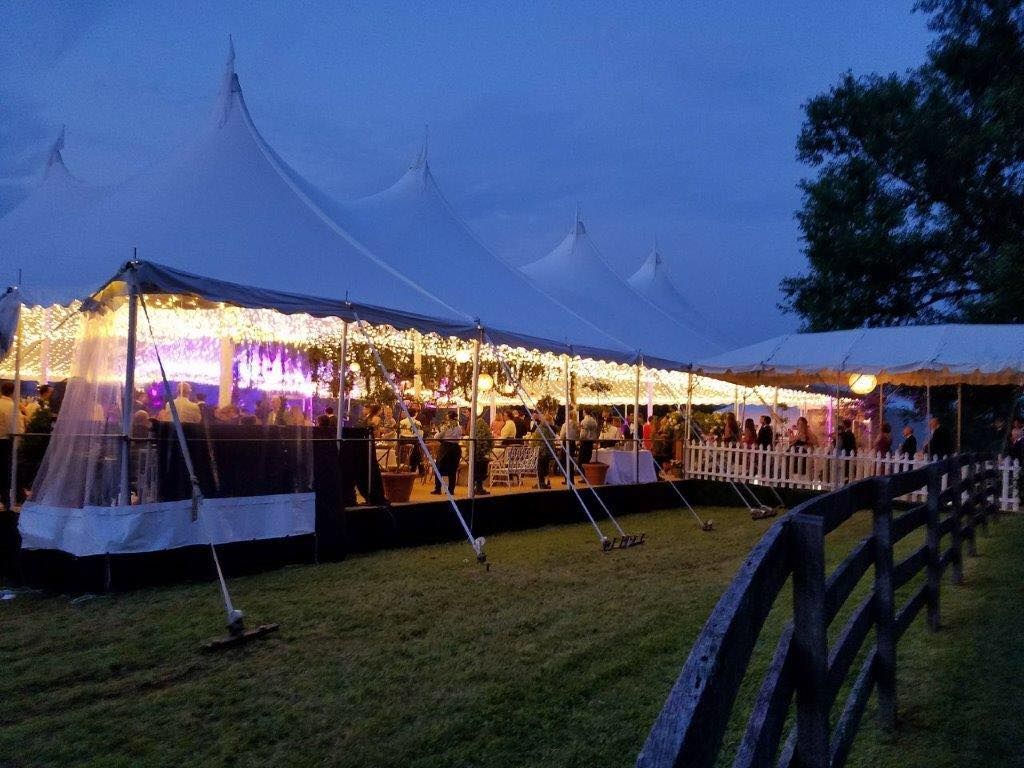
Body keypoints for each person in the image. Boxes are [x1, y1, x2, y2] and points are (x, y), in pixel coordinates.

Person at [431, 411, 462, 495]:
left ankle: (438, 489)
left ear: (449, 417)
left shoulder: (446, 426)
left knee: (439, 467)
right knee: (453, 469)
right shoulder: (459, 427)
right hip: (456, 448)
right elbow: (460, 437)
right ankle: (451, 490)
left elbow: (437, 437)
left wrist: (438, 431)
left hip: (446, 448)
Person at [527, 410, 557, 489]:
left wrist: (535, 447)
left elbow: (536, 439)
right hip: (549, 451)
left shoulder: (541, 428)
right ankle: (546, 482)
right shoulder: (552, 428)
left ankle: (541, 483)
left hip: (542, 451)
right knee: (546, 467)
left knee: (540, 467)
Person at [472, 416, 493, 495]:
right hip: (480, 457)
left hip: (477, 457)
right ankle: (478, 486)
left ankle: (477, 486)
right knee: (481, 465)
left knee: (478, 466)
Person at [398, 406, 423, 472]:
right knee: (417, 449)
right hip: (412, 440)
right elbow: (419, 434)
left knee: (416, 449)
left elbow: (400, 432)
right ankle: (417, 468)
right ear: (415, 414)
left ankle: (416, 468)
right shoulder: (417, 422)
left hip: (402, 440)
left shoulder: (402, 422)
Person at [558, 410, 579, 482]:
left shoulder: (565, 424)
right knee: (570, 461)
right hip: (572, 443)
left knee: (563, 461)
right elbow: (577, 435)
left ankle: (567, 479)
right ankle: (571, 479)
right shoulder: (576, 424)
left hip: (566, 443)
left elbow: (562, 435)